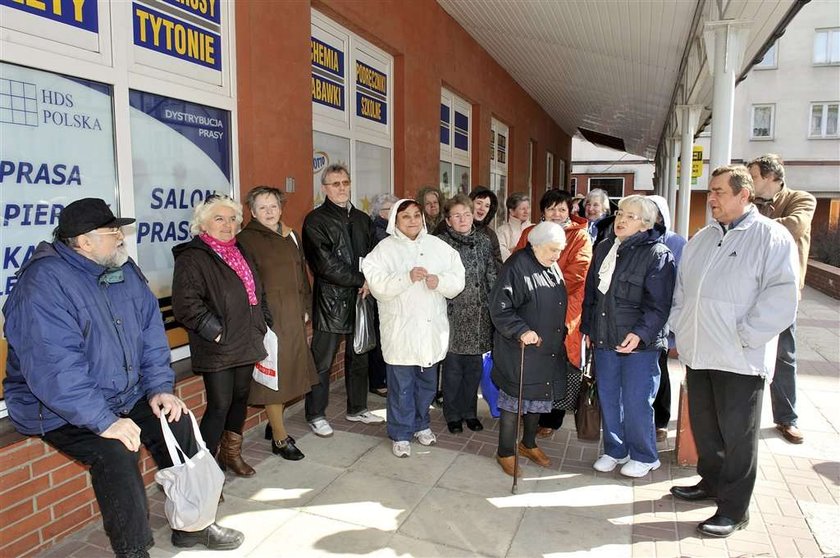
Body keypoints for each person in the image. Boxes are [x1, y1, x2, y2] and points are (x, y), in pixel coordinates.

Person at [3, 198, 244, 557]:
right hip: (57, 406)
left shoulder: (122, 268)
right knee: (115, 452)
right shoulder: (43, 284)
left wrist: (160, 388)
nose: (121, 238)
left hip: (124, 392)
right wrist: (104, 421)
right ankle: (133, 550)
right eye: (112, 232)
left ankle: (192, 526)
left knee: (177, 421)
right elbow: (55, 369)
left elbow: (150, 334)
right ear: (84, 242)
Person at [669, 165, 798, 538]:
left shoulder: (770, 238)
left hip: (741, 359)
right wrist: (681, 324)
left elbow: (782, 296)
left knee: (738, 437)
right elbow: (683, 289)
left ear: (744, 195)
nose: (710, 199)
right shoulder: (703, 238)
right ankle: (710, 483)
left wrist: (746, 335)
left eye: (719, 192)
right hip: (701, 353)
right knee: (707, 430)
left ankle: (734, 509)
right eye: (710, 192)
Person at [172, 195, 270, 477]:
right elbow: (186, 304)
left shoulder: (241, 250)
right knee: (219, 405)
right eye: (219, 218)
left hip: (247, 338)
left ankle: (231, 455)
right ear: (203, 224)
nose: (227, 225)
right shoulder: (193, 257)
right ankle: (204, 471)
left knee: (240, 399)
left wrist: (263, 322)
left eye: (232, 219)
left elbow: (257, 291)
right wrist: (215, 332)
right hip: (218, 345)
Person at [580, 195, 675, 478]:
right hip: (605, 337)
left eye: (631, 216)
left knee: (636, 400)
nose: (621, 219)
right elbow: (591, 294)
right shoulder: (605, 246)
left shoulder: (658, 254)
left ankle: (645, 455)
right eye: (621, 212)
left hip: (639, 345)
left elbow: (659, 306)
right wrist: (588, 328)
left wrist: (640, 334)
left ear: (646, 224)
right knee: (609, 397)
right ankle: (615, 450)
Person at [362, 199, 465, 458]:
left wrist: (438, 281)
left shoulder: (438, 247)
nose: (412, 221)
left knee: (427, 384)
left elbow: (458, 280)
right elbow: (378, 286)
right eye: (405, 216)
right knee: (401, 386)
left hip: (430, 330)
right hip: (401, 330)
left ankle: (421, 425)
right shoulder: (384, 250)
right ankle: (400, 432)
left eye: (416, 215)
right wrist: (406, 277)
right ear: (394, 220)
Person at [237, 187, 319, 460]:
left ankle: (275, 426)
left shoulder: (290, 234)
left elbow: (301, 273)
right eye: (262, 207)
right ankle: (280, 439)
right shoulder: (245, 240)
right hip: (271, 319)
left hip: (294, 316)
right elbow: (248, 286)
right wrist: (260, 319)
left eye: (273, 206)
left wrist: (307, 307)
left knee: (291, 372)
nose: (269, 211)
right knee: (275, 379)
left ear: (281, 208)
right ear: (252, 211)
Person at [303, 163, 384, 437]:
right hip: (331, 302)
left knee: (359, 356)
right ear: (324, 188)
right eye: (335, 184)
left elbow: (376, 255)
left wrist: (371, 280)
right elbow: (325, 265)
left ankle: (357, 408)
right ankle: (315, 414)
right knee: (322, 362)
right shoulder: (315, 221)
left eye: (345, 183)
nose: (341, 188)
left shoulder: (362, 219)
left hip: (361, 299)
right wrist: (361, 280)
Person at [489, 221, 568, 476]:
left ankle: (528, 444)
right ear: (535, 245)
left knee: (537, 400)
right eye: (552, 250)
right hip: (520, 348)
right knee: (514, 402)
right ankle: (505, 452)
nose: (557, 256)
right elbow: (500, 308)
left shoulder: (550, 264)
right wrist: (521, 330)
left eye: (560, 250)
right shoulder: (516, 267)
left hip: (546, 349)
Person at [748, 154, 816, 445]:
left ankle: (787, 418)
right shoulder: (750, 203)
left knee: (784, 355)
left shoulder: (801, 199)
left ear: (771, 177)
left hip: (782, 292)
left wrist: (752, 223)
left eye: (753, 176)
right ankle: (741, 416)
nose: (749, 182)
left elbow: (795, 226)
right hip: (748, 289)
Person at [514, 189, 593, 437]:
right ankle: (528, 413)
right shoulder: (531, 233)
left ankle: (551, 420)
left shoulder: (579, 236)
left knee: (559, 365)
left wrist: (542, 289)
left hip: (564, 309)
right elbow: (517, 262)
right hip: (530, 306)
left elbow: (578, 273)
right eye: (551, 209)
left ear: (569, 210)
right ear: (543, 212)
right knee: (531, 362)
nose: (556, 214)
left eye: (561, 209)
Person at [436, 194, 498, 433]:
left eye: (467, 214)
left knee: (473, 369)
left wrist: (495, 305)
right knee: (452, 369)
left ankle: (469, 412)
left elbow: (491, 273)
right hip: (452, 314)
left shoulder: (483, 241)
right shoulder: (440, 243)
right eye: (457, 216)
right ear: (448, 220)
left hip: (479, 314)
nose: (463, 219)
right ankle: (452, 414)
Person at [647, 195, 686, 442]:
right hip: (637, 316)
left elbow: (681, 280)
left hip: (662, 315)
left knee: (659, 369)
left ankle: (661, 420)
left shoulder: (676, 242)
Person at [367, 193, 399, 397]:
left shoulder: (389, 230)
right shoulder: (379, 232)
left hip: (391, 292)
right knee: (380, 338)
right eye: (392, 210)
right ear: (381, 213)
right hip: (381, 294)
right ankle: (378, 381)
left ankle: (383, 378)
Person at [496, 192, 533, 261]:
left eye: (528, 208)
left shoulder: (535, 228)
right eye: (522, 209)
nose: (526, 211)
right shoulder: (502, 231)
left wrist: (514, 250)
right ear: (512, 211)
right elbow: (502, 254)